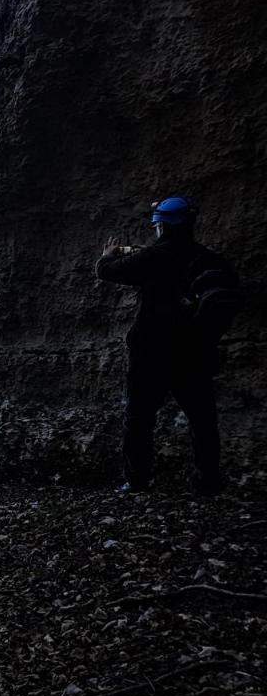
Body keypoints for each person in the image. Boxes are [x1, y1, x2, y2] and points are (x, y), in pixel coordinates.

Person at [95, 196, 236, 496]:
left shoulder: (155, 257)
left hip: (152, 351)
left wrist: (107, 255)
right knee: (202, 420)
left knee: (139, 418)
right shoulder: (210, 260)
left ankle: (137, 481)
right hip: (196, 351)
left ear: (161, 226)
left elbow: (106, 271)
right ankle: (208, 482)